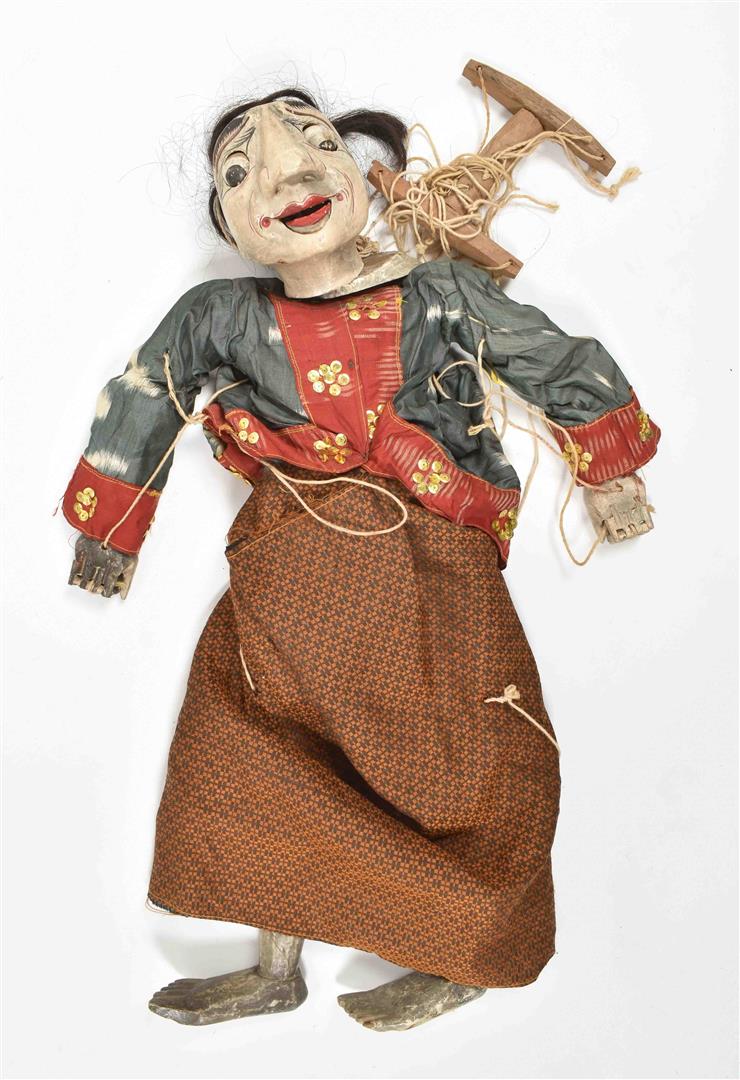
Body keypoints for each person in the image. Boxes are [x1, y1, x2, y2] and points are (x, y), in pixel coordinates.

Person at [62, 87, 660, 1031]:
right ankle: (276, 967)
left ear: (362, 175)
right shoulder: (220, 315)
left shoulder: (441, 295)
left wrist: (611, 471)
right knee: (253, 756)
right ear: (230, 225)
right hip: (286, 577)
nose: (287, 171)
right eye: (240, 172)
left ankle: (465, 958)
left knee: (471, 762)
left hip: (435, 571)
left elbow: (547, 355)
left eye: (315, 142)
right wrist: (110, 528)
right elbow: (148, 391)